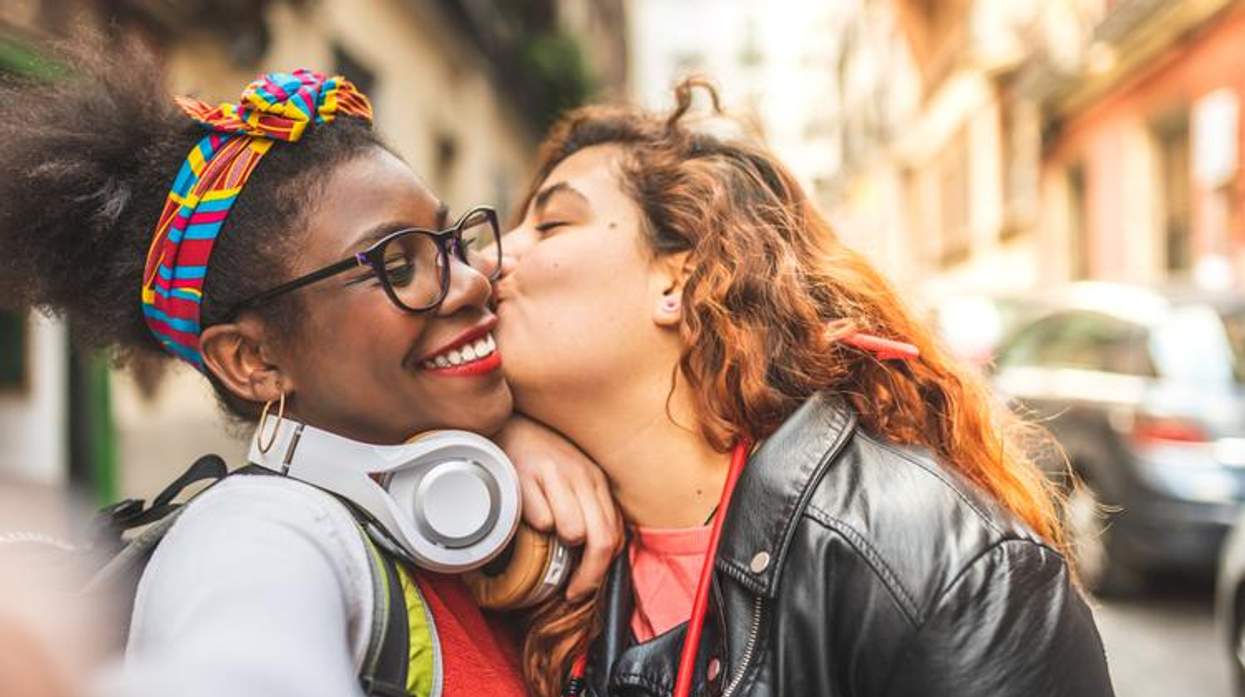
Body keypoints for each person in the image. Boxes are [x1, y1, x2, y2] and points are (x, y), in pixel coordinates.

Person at [0, 42, 617, 697]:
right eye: (398, 266)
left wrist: (521, 430)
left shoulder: (471, 525)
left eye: (449, 243)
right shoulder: (259, 534)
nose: (470, 282)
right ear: (253, 360)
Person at [496, 79, 1116, 696]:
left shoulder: (936, 564)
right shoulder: (516, 528)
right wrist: (499, 433)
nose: (492, 253)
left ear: (679, 279)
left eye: (551, 224)